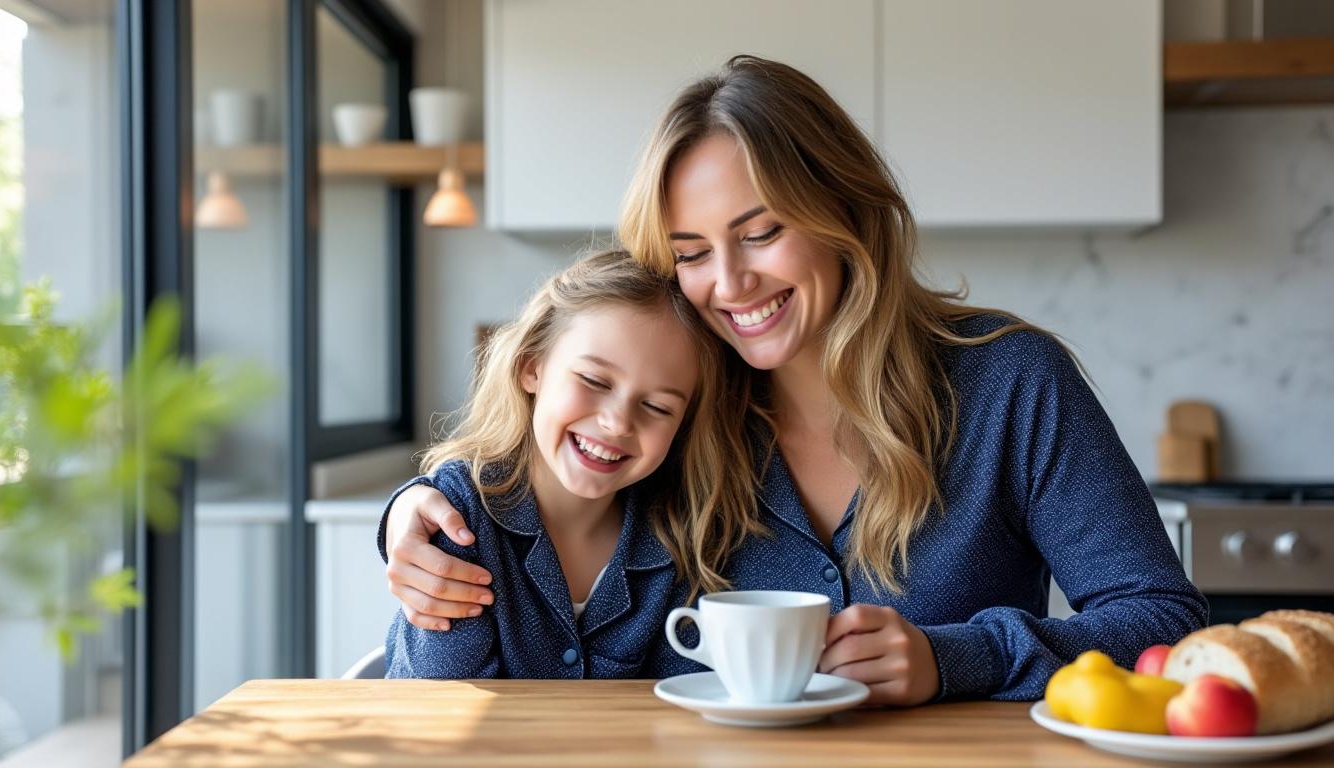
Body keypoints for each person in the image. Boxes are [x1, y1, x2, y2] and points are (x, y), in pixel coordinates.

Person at [379, 56, 1207, 702]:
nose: (729, 285)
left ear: (842, 211)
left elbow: (1163, 623)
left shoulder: (1009, 381)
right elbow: (544, 501)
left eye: (761, 231)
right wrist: (420, 507)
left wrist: (954, 657)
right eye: (692, 253)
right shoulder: (683, 408)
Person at [386, 250, 750, 679]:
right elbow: (447, 702)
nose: (616, 423)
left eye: (656, 406)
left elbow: (680, 706)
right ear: (531, 368)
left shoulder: (685, 537)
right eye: (594, 381)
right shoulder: (458, 518)